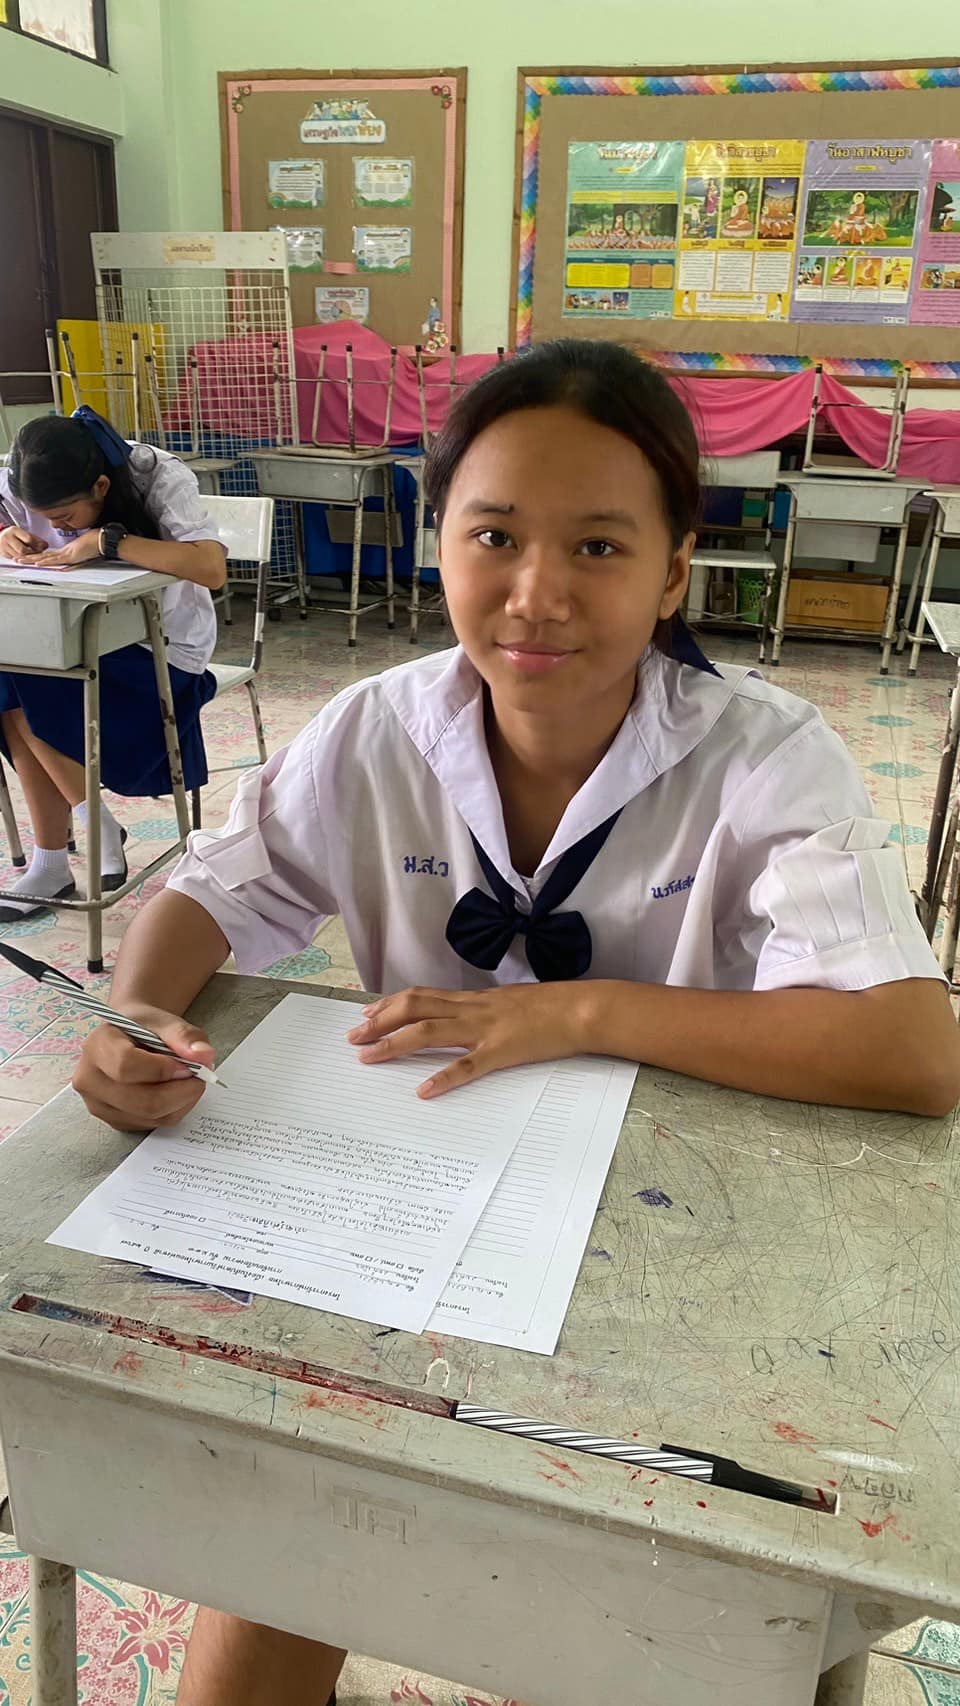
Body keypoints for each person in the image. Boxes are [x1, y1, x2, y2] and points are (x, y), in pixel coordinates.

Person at [72, 340, 959, 1706]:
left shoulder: (764, 756)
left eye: (599, 545)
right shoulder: (375, 728)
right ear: (440, 542)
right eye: (494, 535)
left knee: (648, 1617)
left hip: (685, 1256)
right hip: (418, 1225)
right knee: (285, 1533)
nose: (537, 594)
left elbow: (912, 1049)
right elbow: (217, 883)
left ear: (674, 571)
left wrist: (577, 1012)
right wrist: (137, 1005)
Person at [0, 410, 226, 920]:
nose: (56, 528)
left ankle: (66, 849)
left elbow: (211, 568)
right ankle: (64, 849)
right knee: (11, 675)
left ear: (101, 486)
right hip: (72, 639)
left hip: (161, 651)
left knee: (22, 680)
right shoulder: (21, 478)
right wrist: (4, 533)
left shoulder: (157, 476)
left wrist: (107, 541)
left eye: (64, 516)